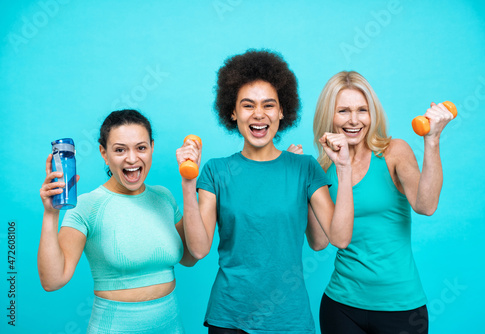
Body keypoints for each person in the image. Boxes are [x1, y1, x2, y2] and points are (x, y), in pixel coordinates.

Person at [176, 49, 354, 334]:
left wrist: (344, 169)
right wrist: (188, 182)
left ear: (282, 111)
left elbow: (340, 238)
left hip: (289, 319)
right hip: (230, 317)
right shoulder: (215, 171)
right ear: (232, 112)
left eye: (269, 105)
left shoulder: (304, 168)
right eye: (247, 105)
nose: (259, 115)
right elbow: (197, 249)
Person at [312, 71, 453, 334]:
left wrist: (431, 140)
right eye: (343, 111)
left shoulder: (393, 151)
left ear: (372, 113)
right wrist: (301, 181)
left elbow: (426, 205)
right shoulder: (321, 168)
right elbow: (319, 242)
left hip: (401, 307)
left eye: (362, 110)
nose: (354, 120)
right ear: (328, 115)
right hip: (341, 305)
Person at [38, 109, 196, 333]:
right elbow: (52, 281)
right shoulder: (87, 205)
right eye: (120, 150)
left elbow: (190, 258)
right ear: (104, 153)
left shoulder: (164, 197)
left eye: (141, 148)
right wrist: (51, 214)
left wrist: (190, 184)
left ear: (152, 147)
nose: (132, 159)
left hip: (171, 326)